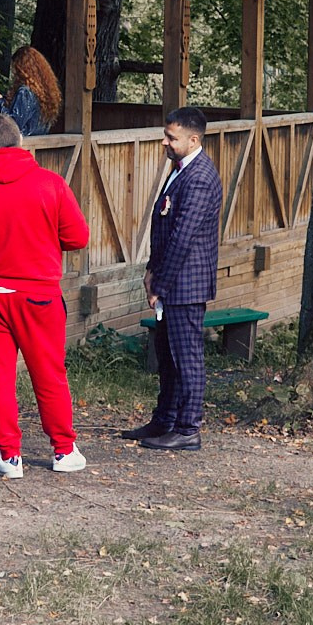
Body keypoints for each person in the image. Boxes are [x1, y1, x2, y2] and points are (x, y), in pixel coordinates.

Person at [0, 110, 89, 478]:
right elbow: (78, 238)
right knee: (48, 374)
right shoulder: (50, 183)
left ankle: (9, 456)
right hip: (38, 295)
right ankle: (63, 451)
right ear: (20, 141)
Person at [129, 105, 223, 451]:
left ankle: (187, 428)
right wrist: (151, 272)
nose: (165, 142)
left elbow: (183, 237)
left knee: (187, 358)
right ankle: (165, 418)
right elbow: (165, 228)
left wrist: (162, 285)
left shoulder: (199, 176)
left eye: (172, 137)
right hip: (170, 278)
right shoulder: (179, 169)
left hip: (186, 283)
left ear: (193, 139)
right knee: (167, 357)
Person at [0, 45, 60, 137]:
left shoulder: (25, 92)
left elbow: (15, 124)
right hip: (40, 142)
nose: (14, 72)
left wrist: (0, 103)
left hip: (25, 143)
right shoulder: (45, 91)